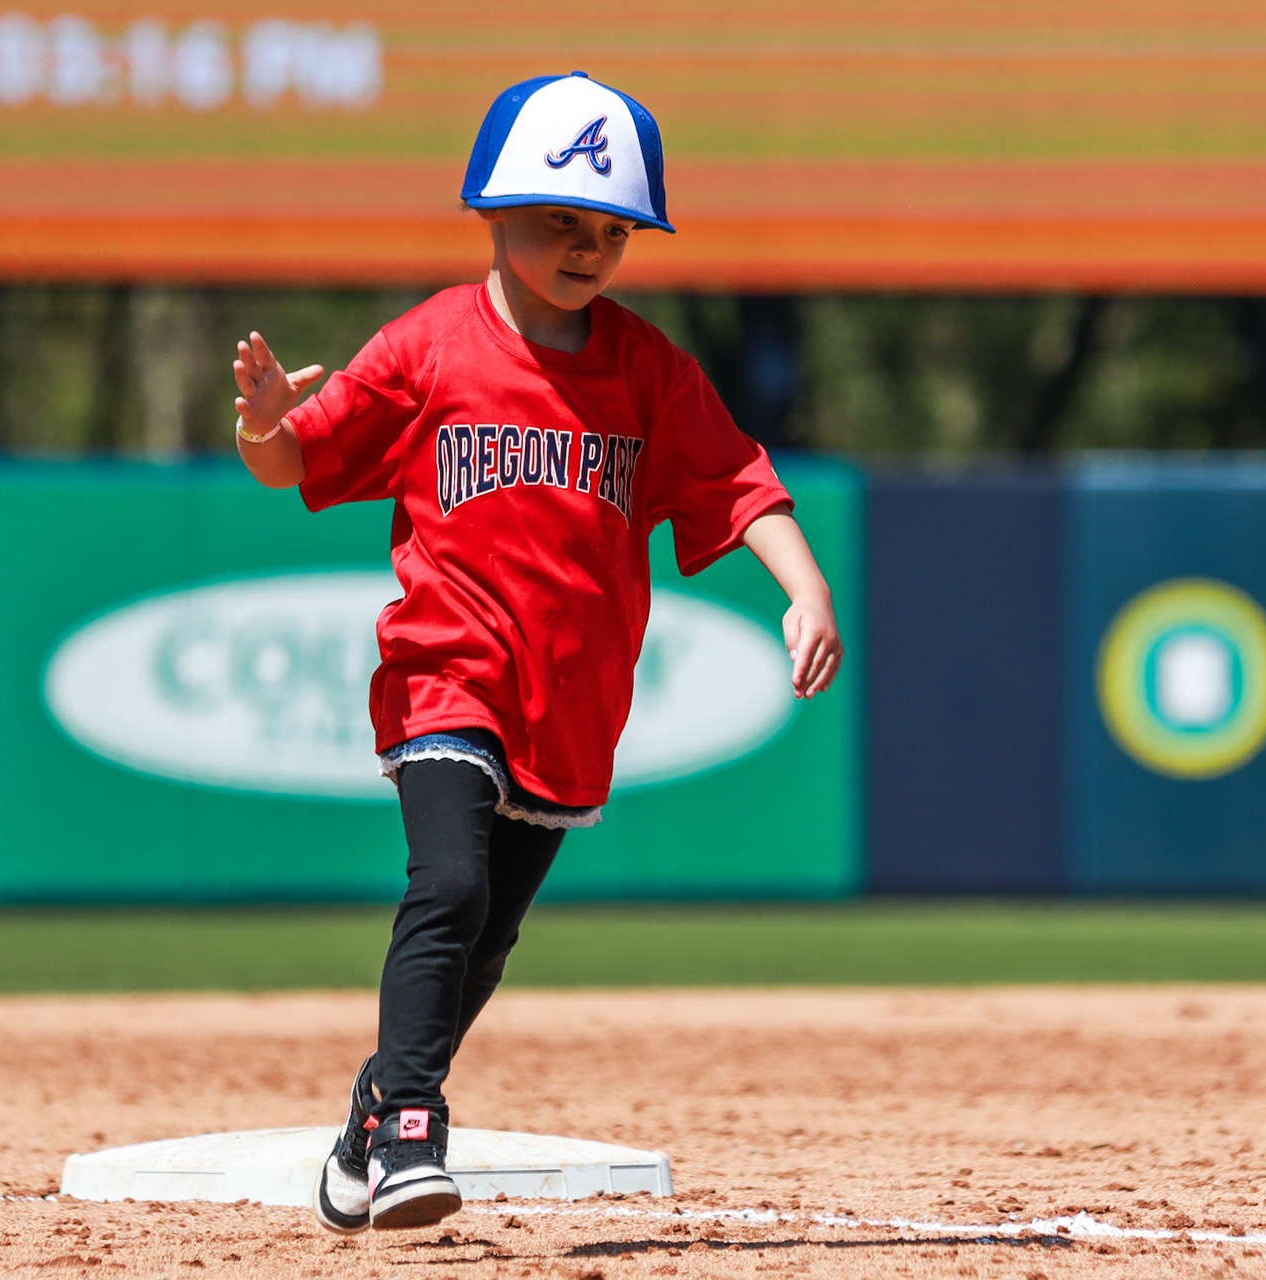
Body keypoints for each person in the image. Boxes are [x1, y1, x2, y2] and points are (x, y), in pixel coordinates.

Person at [231, 71, 842, 1233]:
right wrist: (263, 421)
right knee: (450, 884)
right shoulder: (428, 345)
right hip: (447, 669)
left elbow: (735, 479)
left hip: (571, 699)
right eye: (560, 220)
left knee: (487, 939)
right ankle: (412, 1124)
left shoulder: (647, 368)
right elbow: (298, 458)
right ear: (494, 214)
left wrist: (805, 585)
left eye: (611, 230)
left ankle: (371, 1112)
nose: (586, 248)